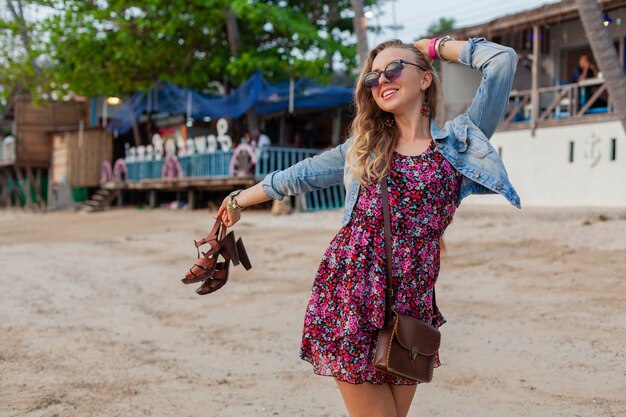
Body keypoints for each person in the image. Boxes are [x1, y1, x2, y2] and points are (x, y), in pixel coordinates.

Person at [215, 37, 520, 417]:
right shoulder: (365, 146)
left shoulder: (460, 140)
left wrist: (433, 47)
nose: (382, 81)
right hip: (352, 292)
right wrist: (236, 200)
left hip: (412, 300)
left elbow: (502, 61)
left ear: (425, 80)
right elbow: (301, 176)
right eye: (373, 77)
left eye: (394, 69)